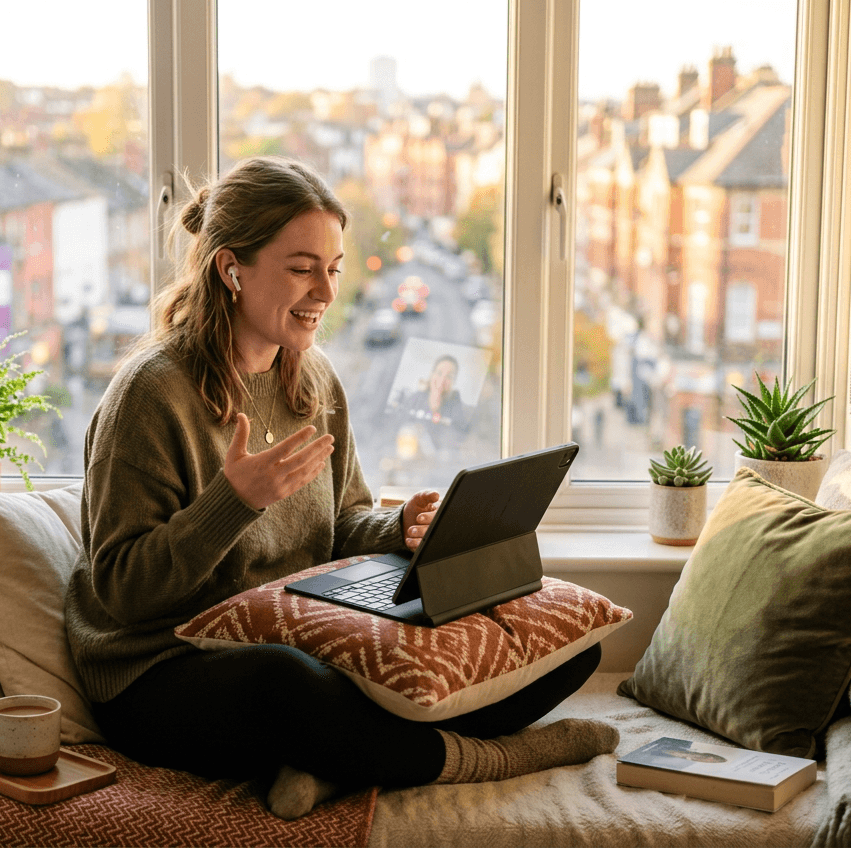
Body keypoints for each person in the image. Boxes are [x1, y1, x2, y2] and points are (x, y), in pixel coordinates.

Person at [64, 155, 617, 819]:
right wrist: (231, 504)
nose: (325, 293)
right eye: (302, 268)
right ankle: (489, 757)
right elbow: (123, 590)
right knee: (293, 686)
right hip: (159, 668)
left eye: (334, 268)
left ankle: (335, 762)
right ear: (231, 268)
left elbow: (343, 522)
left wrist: (399, 529)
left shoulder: (313, 378)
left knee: (563, 646)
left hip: (298, 630)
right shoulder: (153, 393)